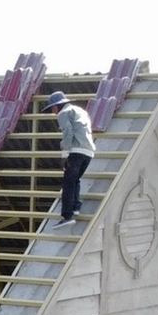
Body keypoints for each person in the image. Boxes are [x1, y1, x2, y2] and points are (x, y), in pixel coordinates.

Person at [44, 91, 94, 227]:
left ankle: (67, 216)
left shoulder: (63, 113)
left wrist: (64, 154)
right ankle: (76, 207)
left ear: (57, 106)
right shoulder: (81, 111)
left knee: (67, 184)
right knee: (75, 180)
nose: (53, 112)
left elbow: (68, 133)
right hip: (88, 152)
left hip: (76, 151)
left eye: (53, 108)